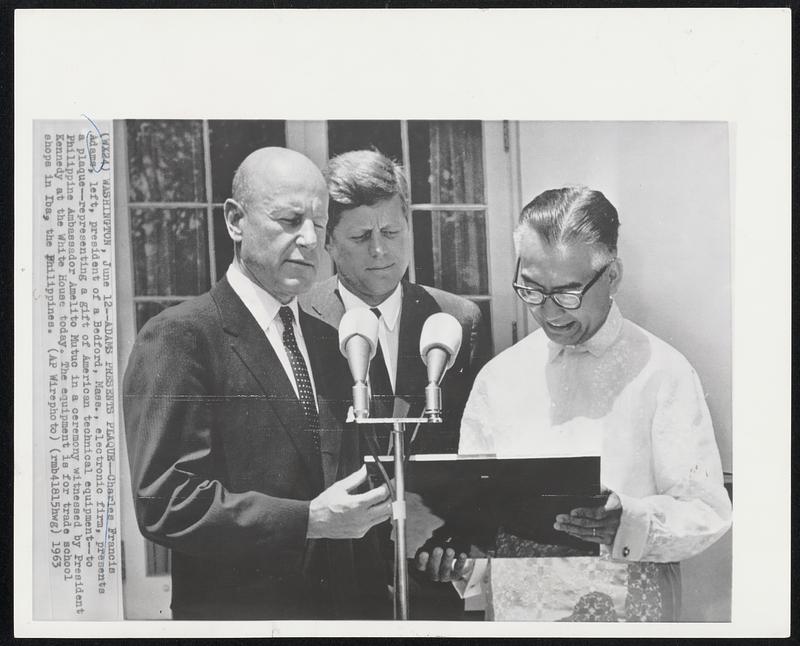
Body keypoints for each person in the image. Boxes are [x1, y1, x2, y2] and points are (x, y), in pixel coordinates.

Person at [417, 186, 732, 621]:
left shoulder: (664, 372)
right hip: (519, 617)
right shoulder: (498, 377)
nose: (548, 313)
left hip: (626, 614)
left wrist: (627, 520)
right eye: (531, 289)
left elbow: (706, 511)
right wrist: (456, 551)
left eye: (567, 293)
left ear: (613, 276)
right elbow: (474, 513)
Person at [122, 147, 393, 620]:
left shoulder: (334, 342)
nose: (309, 239)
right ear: (234, 220)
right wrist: (308, 521)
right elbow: (166, 502)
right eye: (289, 220)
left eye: (319, 223)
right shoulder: (180, 336)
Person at [301, 149, 487, 456]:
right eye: (360, 236)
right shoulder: (300, 316)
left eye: (390, 232)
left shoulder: (459, 319)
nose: (379, 250)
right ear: (328, 241)